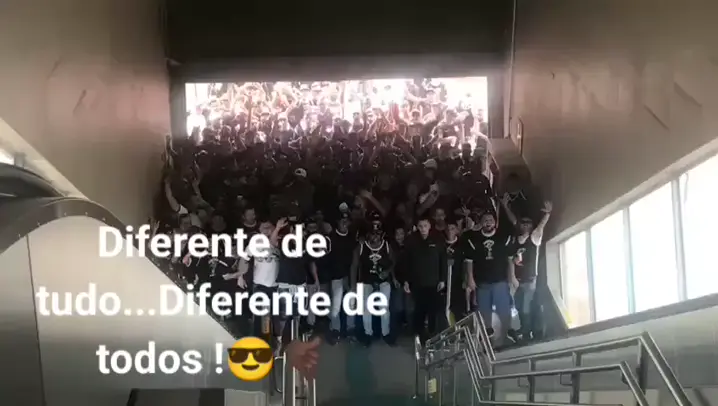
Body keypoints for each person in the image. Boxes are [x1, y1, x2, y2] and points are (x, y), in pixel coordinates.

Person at [463, 210, 514, 345]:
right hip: (482, 282)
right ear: (480, 223)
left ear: (495, 222)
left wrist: (512, 277)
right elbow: (469, 261)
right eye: (485, 220)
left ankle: (507, 334)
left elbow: (510, 259)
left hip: (500, 280)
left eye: (491, 220)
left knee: (504, 309)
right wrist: (470, 279)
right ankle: (487, 337)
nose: (488, 222)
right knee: (484, 311)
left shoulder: (503, 237)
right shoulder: (474, 239)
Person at [350, 212, 395, 347]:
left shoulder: (386, 245)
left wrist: (387, 272)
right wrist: (353, 286)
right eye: (372, 234)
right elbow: (354, 266)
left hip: (383, 281)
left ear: (381, 234)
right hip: (366, 281)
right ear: (368, 234)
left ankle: (386, 333)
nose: (375, 237)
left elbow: (394, 262)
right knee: (366, 308)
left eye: (377, 234)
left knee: (384, 308)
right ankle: (368, 334)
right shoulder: (361, 247)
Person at [511, 201, 552, 341]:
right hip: (518, 280)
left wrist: (547, 214)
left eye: (528, 223)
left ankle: (527, 332)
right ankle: (526, 330)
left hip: (530, 279)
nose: (525, 225)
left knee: (526, 306)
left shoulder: (534, 237)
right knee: (519, 305)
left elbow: (541, 227)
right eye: (523, 223)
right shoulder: (517, 240)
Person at [404, 216, 447, 343]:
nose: (423, 229)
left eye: (425, 226)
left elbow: (443, 260)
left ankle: (433, 336)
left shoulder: (438, 239)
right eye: (420, 226)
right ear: (417, 227)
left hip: (434, 282)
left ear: (430, 226)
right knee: (419, 310)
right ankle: (419, 337)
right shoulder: (411, 240)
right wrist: (406, 280)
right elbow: (406, 262)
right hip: (417, 282)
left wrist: (442, 279)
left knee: (433, 310)